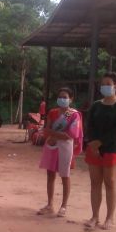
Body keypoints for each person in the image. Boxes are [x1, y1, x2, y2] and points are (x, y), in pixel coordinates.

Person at [84, 72, 116, 230]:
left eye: (108, 84)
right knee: (95, 182)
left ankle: (110, 218)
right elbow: (89, 125)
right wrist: (93, 144)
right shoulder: (96, 105)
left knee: (110, 182)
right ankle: (94, 216)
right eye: (103, 84)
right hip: (94, 147)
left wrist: (100, 142)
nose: (105, 87)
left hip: (113, 147)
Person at [37, 87, 83, 217]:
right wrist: (56, 134)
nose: (62, 99)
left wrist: (54, 134)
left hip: (65, 146)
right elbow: (47, 129)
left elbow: (70, 135)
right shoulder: (52, 112)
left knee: (65, 175)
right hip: (51, 145)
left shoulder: (74, 115)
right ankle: (50, 205)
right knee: (50, 174)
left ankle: (63, 206)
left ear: (71, 99)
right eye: (60, 97)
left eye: (65, 97)